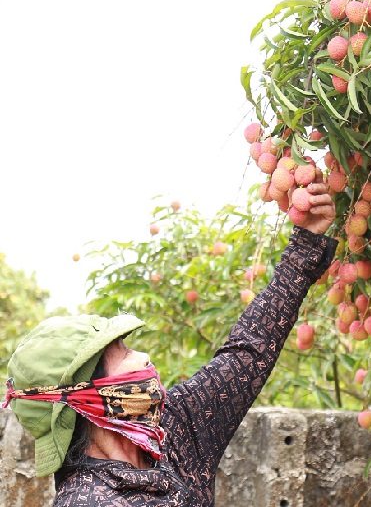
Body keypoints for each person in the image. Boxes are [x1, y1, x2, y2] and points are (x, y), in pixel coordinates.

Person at [2, 183, 337, 506]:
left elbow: (247, 354)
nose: (144, 358)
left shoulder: (173, 429)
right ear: (91, 396)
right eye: (123, 354)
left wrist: (305, 242)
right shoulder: (87, 500)